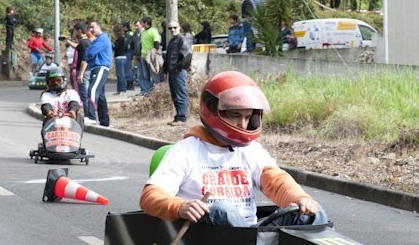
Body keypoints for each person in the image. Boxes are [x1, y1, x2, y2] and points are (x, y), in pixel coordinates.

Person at [140, 71, 327, 228]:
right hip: (209, 238)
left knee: (314, 213)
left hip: (251, 236)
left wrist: (300, 198)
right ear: (213, 111)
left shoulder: (251, 151)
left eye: (247, 117)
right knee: (223, 209)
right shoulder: (186, 151)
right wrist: (180, 207)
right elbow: (150, 196)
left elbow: (276, 181)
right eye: (235, 115)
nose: (242, 124)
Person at [84, 20, 112, 127]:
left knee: (93, 90)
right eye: (89, 28)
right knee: (100, 95)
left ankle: (91, 117)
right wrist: (89, 53)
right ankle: (105, 121)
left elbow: (90, 52)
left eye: (93, 27)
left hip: (101, 67)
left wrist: (89, 52)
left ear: (99, 27)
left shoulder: (103, 38)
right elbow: (87, 55)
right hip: (95, 68)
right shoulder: (96, 40)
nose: (91, 30)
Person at [164, 21, 192, 126]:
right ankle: (178, 117)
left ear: (179, 27)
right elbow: (169, 56)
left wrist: (178, 68)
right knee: (175, 94)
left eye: (175, 27)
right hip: (172, 71)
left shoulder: (181, 40)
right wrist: (165, 69)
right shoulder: (172, 40)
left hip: (178, 72)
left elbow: (188, 56)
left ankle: (182, 117)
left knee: (180, 94)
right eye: (170, 28)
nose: (172, 30)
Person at [138, 16, 161, 96]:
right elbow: (141, 44)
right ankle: (148, 92)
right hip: (143, 56)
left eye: (142, 22)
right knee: (146, 75)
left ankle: (156, 92)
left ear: (146, 23)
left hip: (151, 56)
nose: (141, 24)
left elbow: (156, 44)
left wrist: (152, 55)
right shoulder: (143, 32)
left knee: (154, 75)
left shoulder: (153, 31)